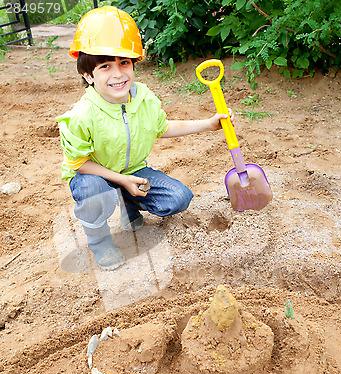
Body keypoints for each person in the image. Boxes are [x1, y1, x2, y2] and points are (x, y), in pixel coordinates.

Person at [57, 6, 231, 271]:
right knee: (93, 191)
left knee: (178, 197)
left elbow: (161, 127)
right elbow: (78, 164)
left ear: (134, 63)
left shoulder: (143, 97)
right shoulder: (81, 115)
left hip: (134, 171)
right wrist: (122, 180)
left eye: (124, 63)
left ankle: (128, 203)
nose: (117, 74)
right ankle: (100, 241)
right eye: (105, 66)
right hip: (93, 177)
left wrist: (208, 125)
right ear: (88, 75)